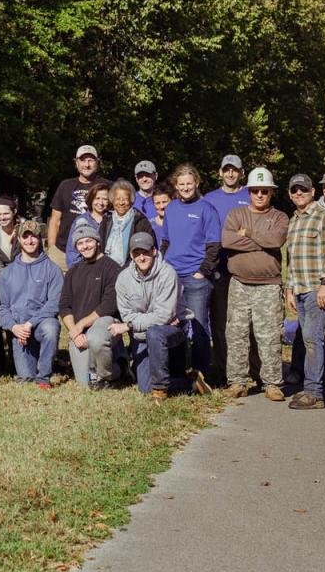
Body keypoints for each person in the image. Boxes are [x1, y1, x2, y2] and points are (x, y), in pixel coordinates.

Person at [111, 232, 203, 402]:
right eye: (136, 253)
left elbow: (164, 315)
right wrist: (137, 324)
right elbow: (126, 315)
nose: (141, 257)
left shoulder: (168, 273)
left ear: (154, 251)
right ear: (131, 255)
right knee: (145, 387)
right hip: (142, 334)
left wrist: (131, 325)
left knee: (155, 333)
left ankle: (160, 389)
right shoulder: (123, 279)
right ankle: (190, 383)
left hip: (174, 329)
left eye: (145, 252)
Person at [222, 168, 288, 401]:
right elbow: (228, 240)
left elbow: (276, 240)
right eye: (256, 191)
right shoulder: (235, 214)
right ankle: (238, 381)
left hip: (269, 286)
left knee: (269, 335)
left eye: (265, 191)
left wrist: (248, 233)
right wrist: (261, 241)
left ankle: (272, 383)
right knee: (236, 333)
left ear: (271, 192)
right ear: (249, 191)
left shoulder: (279, 217)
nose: (260, 195)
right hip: (239, 284)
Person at [285, 173, 325, 409]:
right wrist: (289, 289)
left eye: (304, 190)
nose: (299, 193)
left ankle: (314, 393)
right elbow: (291, 258)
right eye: (295, 190)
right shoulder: (294, 220)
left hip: (317, 288)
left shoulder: (324, 217)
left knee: (312, 338)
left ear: (312, 193)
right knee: (313, 339)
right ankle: (322, 387)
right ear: (289, 194)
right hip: (299, 288)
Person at [160, 164, 221, 380]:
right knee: (175, 323)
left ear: (196, 183)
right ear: (176, 186)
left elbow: (214, 245)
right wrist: (162, 267)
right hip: (172, 276)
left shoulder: (207, 209)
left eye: (189, 183)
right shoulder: (171, 208)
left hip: (195, 278)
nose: (185, 187)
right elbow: (165, 242)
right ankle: (178, 371)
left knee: (199, 326)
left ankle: (200, 372)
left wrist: (202, 272)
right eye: (181, 184)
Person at [203, 154, 251, 385]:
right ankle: (223, 369)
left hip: (246, 267)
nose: (230, 173)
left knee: (246, 321)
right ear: (220, 172)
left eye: (235, 170)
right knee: (220, 321)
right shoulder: (209, 199)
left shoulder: (251, 195)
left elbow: (255, 229)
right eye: (226, 170)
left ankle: (251, 367)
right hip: (218, 267)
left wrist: (235, 237)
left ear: (241, 172)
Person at [0, 220, 63, 388]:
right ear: (18, 240)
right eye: (25, 236)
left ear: (40, 239)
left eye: (33, 236)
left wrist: (30, 323)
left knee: (51, 328)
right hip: (20, 332)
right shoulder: (7, 273)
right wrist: (14, 328)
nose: (29, 240)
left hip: (41, 324)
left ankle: (44, 377)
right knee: (26, 378)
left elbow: (54, 304)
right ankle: (32, 368)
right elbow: (3, 309)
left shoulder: (52, 269)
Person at [59, 220, 122, 389]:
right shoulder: (73, 271)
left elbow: (109, 305)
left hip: (105, 322)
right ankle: (108, 367)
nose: (85, 246)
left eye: (88, 241)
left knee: (96, 338)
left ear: (97, 242)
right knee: (86, 383)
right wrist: (74, 332)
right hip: (80, 330)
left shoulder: (112, 268)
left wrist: (81, 324)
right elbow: (64, 305)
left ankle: (113, 372)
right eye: (80, 243)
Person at [47, 144, 103, 271]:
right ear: (76, 162)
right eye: (83, 160)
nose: (87, 164)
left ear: (98, 162)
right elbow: (55, 220)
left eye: (91, 160)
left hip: (95, 253)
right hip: (63, 252)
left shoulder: (106, 186)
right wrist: (52, 249)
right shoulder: (65, 185)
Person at [98, 179, 154, 266]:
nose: (121, 203)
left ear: (131, 200)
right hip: (107, 269)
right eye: (118, 199)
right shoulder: (106, 220)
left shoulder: (140, 221)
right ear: (112, 200)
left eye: (125, 199)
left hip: (131, 269)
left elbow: (148, 247)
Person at [65, 182, 110, 269]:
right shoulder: (80, 221)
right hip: (85, 268)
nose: (101, 202)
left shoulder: (113, 219)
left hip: (107, 268)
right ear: (91, 199)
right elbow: (72, 252)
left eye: (105, 199)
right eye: (97, 198)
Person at [0, 197, 21, 275]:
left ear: (14, 212)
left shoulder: (24, 230)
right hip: (5, 276)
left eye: (6, 213)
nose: (2, 218)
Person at [148, 182, 174, 249]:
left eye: (165, 202)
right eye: (157, 203)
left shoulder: (180, 223)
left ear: (172, 201)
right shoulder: (149, 225)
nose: (161, 206)